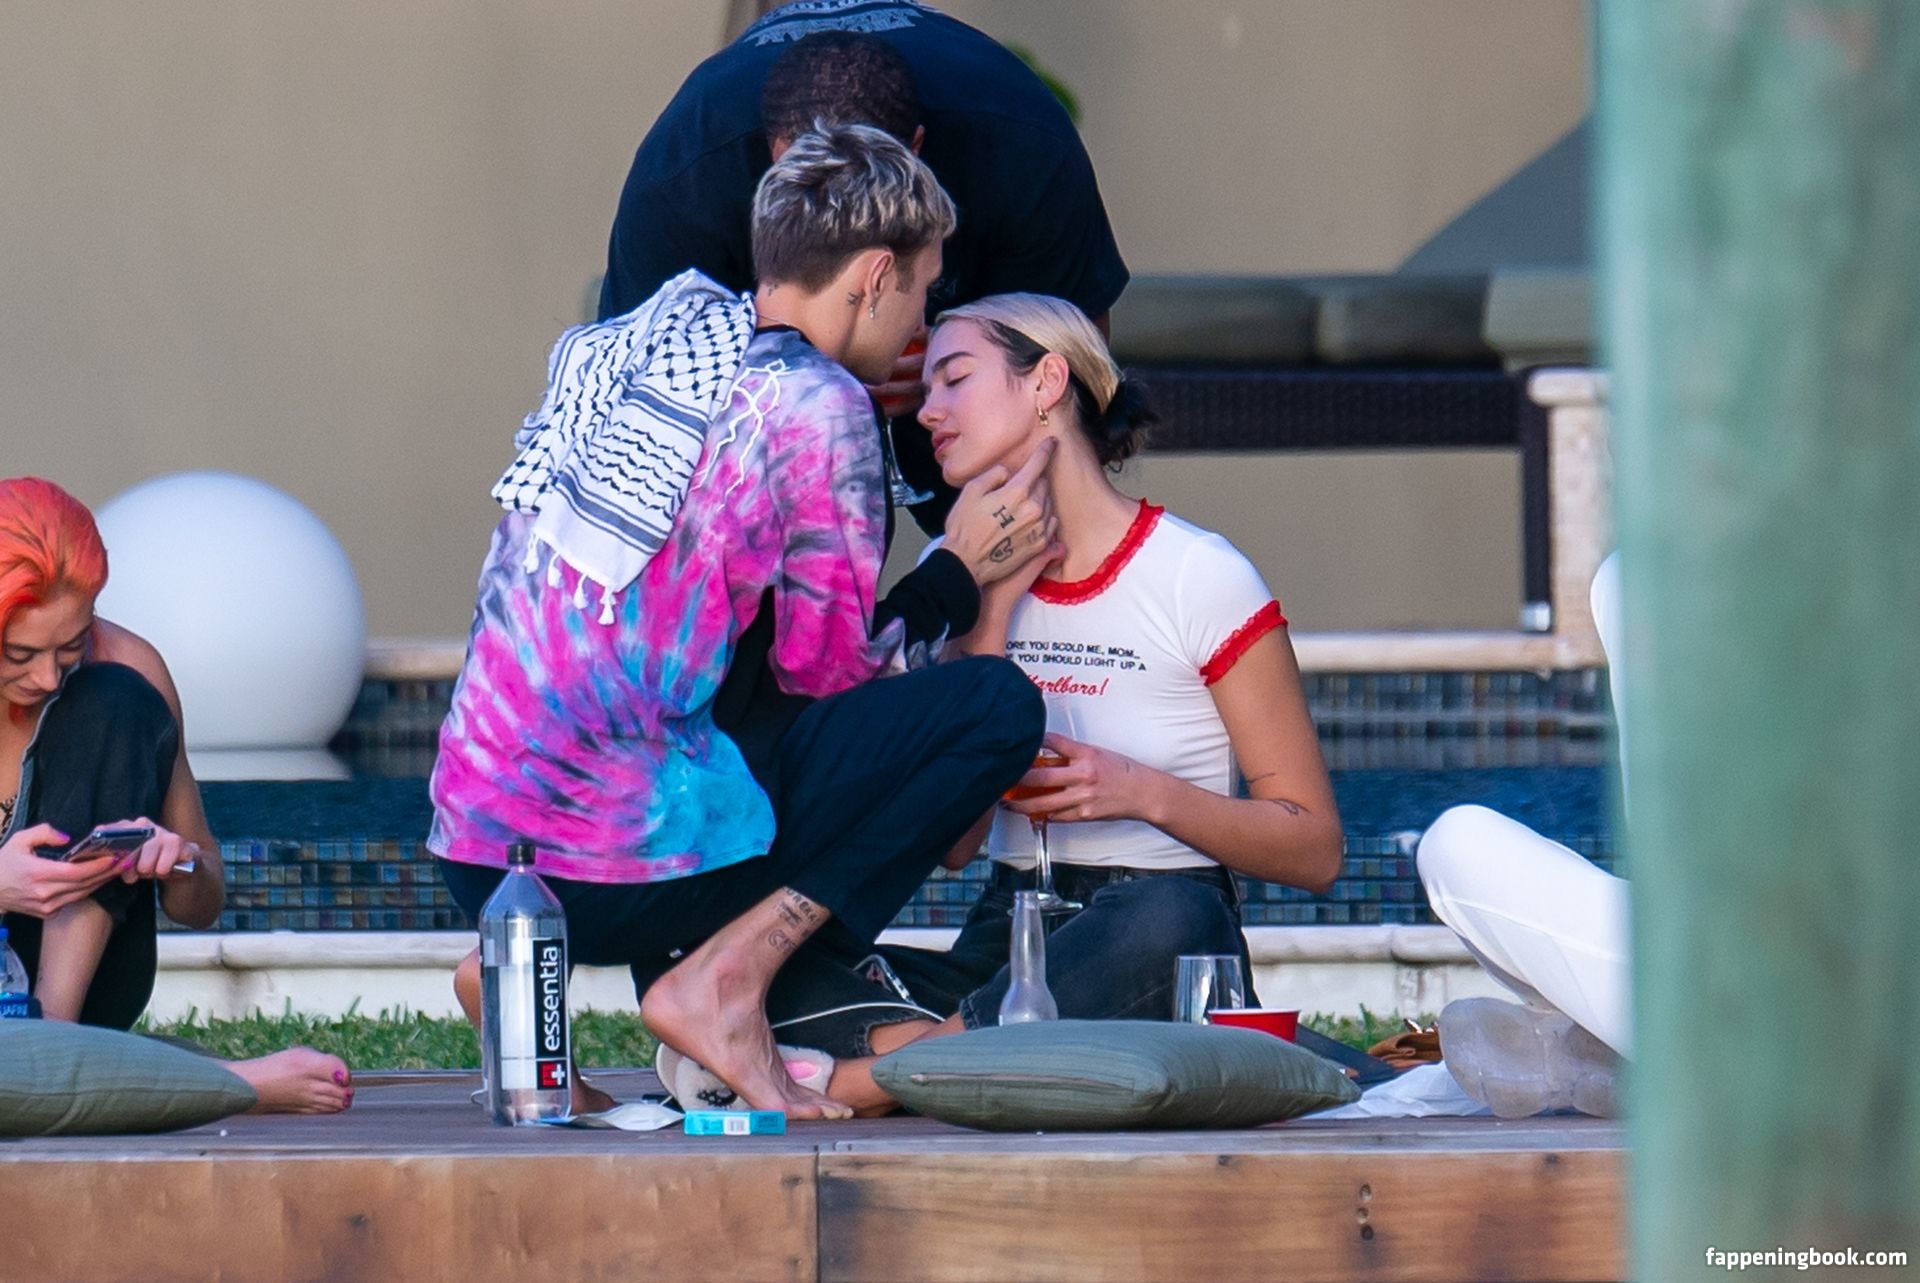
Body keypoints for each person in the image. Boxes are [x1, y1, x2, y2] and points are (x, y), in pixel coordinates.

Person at [431, 126, 1055, 1120]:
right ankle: (727, 982)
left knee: (712, 721)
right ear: (876, 275)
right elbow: (834, 674)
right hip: (612, 864)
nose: (916, 330)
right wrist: (956, 573)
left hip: (483, 861)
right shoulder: (815, 402)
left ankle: (512, 970)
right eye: (922, 294)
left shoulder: (653, 356)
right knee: (991, 706)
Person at [751, 295, 1345, 1114]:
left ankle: (881, 1074)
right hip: (1006, 935)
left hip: (1149, 931)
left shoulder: (1198, 574)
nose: (927, 411)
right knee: (763, 960)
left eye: (954, 379)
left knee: (1172, 919)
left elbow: (1315, 848)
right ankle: (985, 1050)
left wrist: (1139, 792)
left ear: (1047, 382)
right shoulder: (954, 567)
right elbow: (957, 846)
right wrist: (988, 614)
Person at [598, 7, 1130, 527]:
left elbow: (1076, 350)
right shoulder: (684, 178)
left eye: (872, 199)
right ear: (773, 154)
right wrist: (799, 376)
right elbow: (639, 398)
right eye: (806, 194)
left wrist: (953, 372)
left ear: (915, 148)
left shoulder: (1022, 143)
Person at [0, 478, 350, 1113]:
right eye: (19, 653)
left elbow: (201, 901)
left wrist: (173, 860)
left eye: (70, 646)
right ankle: (221, 1081)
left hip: (71, 994)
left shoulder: (126, 664)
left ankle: (51, 1051)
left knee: (114, 697)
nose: (47, 676)